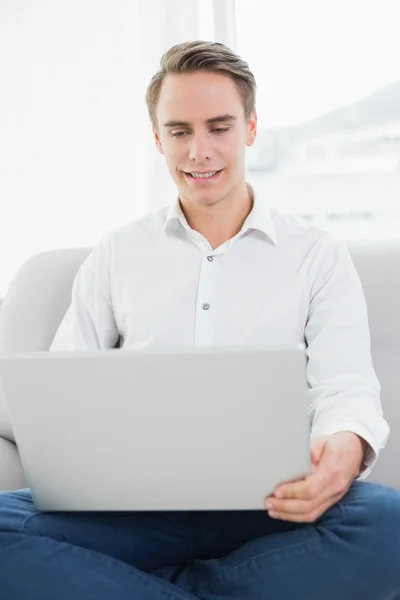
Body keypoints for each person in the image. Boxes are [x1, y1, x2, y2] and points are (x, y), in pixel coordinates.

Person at [0, 40, 399, 600]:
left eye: (219, 127)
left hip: (271, 505)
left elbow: (346, 386)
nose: (199, 151)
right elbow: (67, 389)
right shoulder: (117, 253)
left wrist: (344, 449)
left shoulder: (316, 254)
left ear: (251, 128)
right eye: (180, 131)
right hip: (133, 512)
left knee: (388, 524)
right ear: (158, 138)